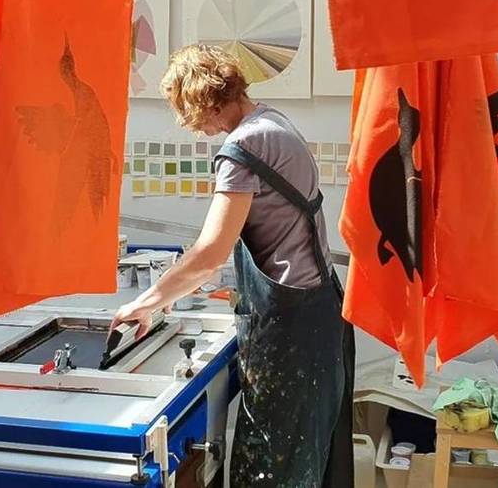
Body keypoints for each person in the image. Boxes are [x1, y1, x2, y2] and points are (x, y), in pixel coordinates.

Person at [112, 44, 354, 487]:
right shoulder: (274, 122)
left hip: (292, 333)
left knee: (271, 474)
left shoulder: (243, 145)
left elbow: (209, 253)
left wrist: (145, 304)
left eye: (193, 116)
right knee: (304, 467)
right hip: (318, 316)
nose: (199, 131)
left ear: (204, 99)